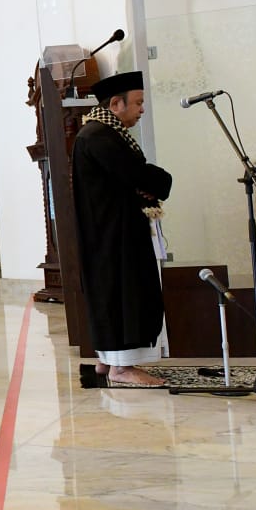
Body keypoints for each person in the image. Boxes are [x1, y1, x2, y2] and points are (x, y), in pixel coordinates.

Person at [72, 70, 173, 386]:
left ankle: (108, 361)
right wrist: (157, 181)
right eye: (138, 102)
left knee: (116, 293)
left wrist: (144, 183)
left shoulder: (103, 133)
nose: (142, 109)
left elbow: (132, 178)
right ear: (116, 103)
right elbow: (135, 175)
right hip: (114, 237)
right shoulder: (98, 136)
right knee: (122, 294)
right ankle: (121, 368)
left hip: (114, 233)